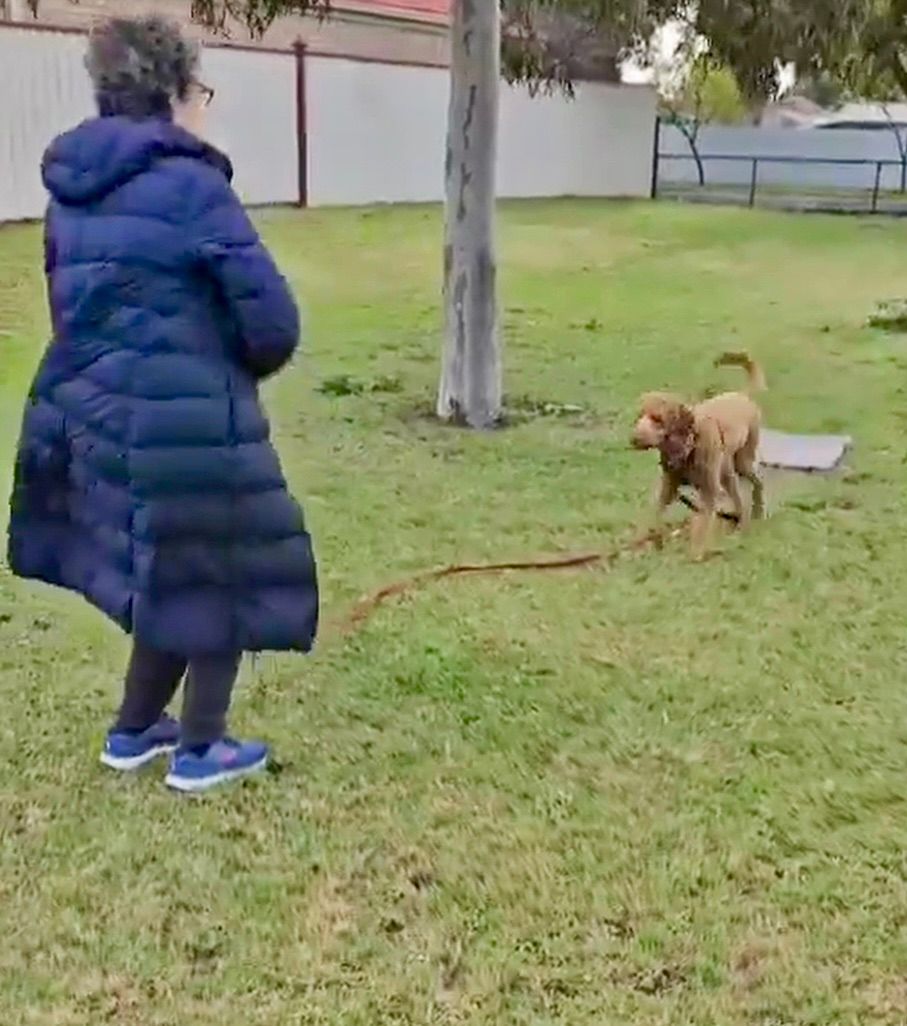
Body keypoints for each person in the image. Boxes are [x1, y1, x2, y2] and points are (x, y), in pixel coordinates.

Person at [7, 16, 318, 793]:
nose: (205, 105)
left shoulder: (70, 195)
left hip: (104, 416)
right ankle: (201, 748)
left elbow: (70, 308)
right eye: (201, 89)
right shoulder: (193, 185)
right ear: (174, 93)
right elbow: (272, 321)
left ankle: (136, 728)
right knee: (222, 570)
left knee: (171, 568)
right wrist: (233, 364)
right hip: (189, 416)